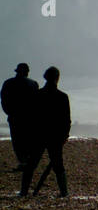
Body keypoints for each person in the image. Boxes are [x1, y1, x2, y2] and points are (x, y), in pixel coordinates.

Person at [20, 66, 71, 198]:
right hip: (55, 136)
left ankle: (24, 191)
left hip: (38, 135)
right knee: (58, 164)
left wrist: (29, 134)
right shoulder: (62, 97)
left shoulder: (37, 95)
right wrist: (64, 136)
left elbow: (30, 117)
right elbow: (66, 120)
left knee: (31, 164)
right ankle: (64, 192)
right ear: (57, 79)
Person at [1, 63, 39, 172]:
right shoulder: (33, 84)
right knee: (28, 140)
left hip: (14, 117)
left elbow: (4, 101)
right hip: (29, 118)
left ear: (17, 71)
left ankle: (23, 162)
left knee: (17, 141)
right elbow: (36, 103)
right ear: (27, 72)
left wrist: (9, 113)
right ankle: (27, 162)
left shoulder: (8, 83)